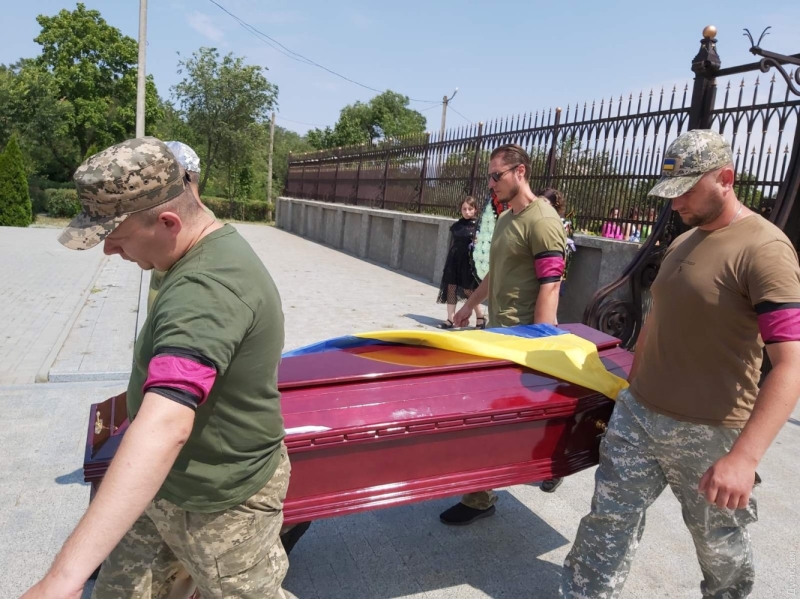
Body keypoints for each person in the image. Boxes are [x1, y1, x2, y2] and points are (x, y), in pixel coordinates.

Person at [21, 137, 294, 599]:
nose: (109, 252)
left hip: (220, 502)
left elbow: (167, 423)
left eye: (116, 238)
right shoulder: (185, 251)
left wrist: (60, 580)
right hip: (164, 484)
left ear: (168, 222)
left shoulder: (208, 289)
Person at [560, 129, 800, 598]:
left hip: (710, 433)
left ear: (726, 178)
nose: (676, 204)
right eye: (670, 193)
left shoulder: (765, 250)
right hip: (640, 415)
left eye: (687, 190)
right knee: (606, 522)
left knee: (718, 547)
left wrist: (744, 458)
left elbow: (790, 365)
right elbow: (656, 318)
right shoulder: (683, 241)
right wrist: (630, 385)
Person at [438, 143, 568, 525]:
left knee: (509, 422)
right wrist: (466, 307)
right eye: (489, 177)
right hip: (497, 335)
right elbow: (497, 273)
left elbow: (551, 286)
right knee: (484, 419)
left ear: (520, 172)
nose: (491, 183)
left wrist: (540, 346)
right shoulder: (508, 218)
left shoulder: (542, 221)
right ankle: (481, 495)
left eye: (497, 176)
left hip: (525, 341)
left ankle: (549, 462)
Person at [436, 196, 486, 329]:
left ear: (475, 209)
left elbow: (484, 244)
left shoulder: (479, 225)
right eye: (464, 209)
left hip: (469, 262)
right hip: (454, 260)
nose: (467, 212)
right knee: (451, 287)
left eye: (470, 209)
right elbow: (453, 243)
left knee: (469, 290)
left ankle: (480, 317)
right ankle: (450, 319)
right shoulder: (457, 226)